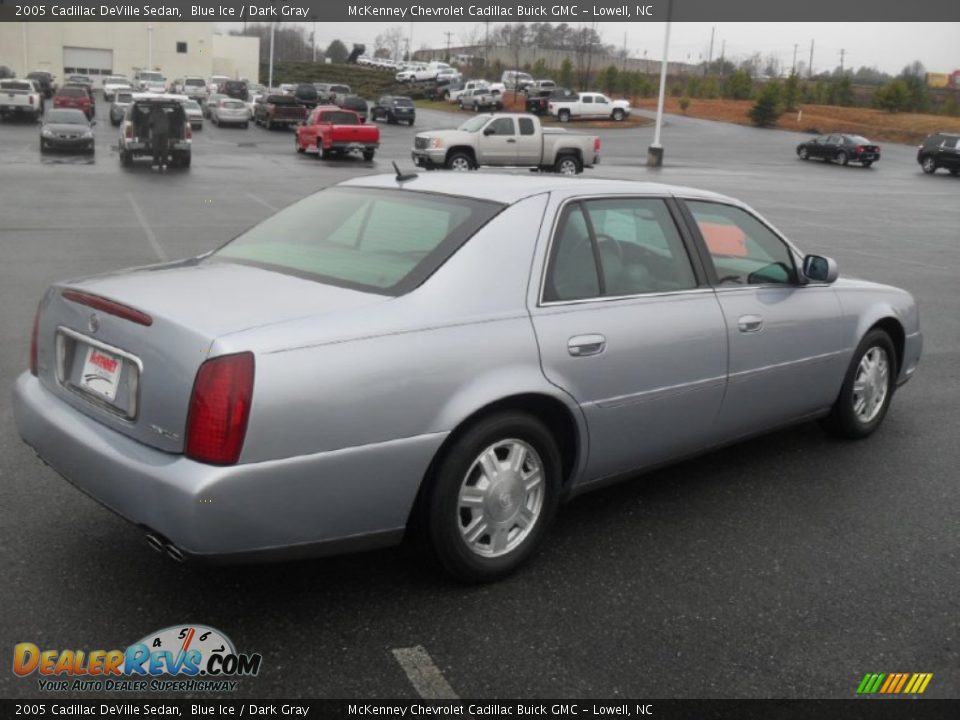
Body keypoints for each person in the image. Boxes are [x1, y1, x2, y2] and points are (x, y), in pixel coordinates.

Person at [150, 104, 170, 170]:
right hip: (165, 131)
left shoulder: (154, 113)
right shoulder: (164, 113)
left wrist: (150, 128)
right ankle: (164, 163)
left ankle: (156, 163)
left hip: (156, 132)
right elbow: (168, 121)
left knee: (156, 147)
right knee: (164, 147)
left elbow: (151, 122)